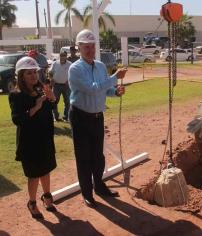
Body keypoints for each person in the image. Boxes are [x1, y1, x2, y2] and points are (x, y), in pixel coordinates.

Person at [68, 29, 127, 208]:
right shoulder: (75, 69)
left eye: (92, 46)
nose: (90, 49)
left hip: (96, 117)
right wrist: (114, 78)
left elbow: (104, 90)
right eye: (86, 47)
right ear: (79, 48)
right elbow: (92, 88)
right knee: (83, 157)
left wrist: (115, 91)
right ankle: (87, 193)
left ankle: (99, 186)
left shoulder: (100, 66)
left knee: (98, 157)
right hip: (80, 117)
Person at [8, 57, 57, 219]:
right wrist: (36, 107)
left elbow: (51, 106)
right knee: (34, 174)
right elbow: (17, 119)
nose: (33, 76)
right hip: (29, 142)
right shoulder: (16, 95)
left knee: (46, 169)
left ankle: (47, 197)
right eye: (29, 73)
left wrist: (51, 97)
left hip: (44, 138)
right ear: (21, 76)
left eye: (35, 72)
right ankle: (32, 202)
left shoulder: (40, 88)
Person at [49, 51, 72, 122]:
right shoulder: (55, 63)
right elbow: (50, 72)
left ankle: (66, 117)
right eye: (61, 55)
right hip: (56, 85)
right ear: (59, 56)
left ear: (66, 56)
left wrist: (68, 81)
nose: (62, 57)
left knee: (67, 102)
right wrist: (51, 79)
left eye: (64, 55)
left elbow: (73, 74)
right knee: (54, 101)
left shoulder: (70, 64)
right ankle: (56, 117)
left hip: (66, 86)